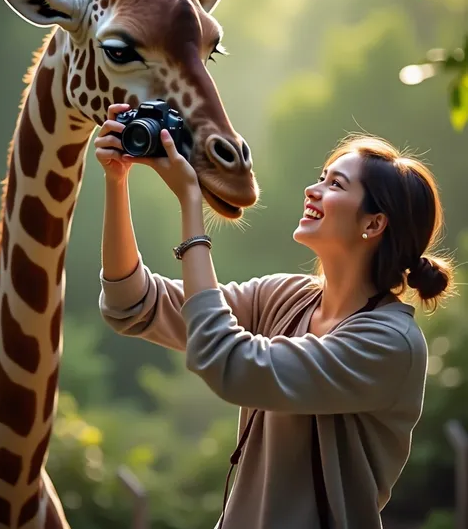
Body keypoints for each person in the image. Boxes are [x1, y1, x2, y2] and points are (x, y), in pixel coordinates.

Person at [95, 103, 453, 529]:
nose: (313, 189)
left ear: (374, 224)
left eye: (335, 184)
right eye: (321, 177)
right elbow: (134, 303)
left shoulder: (390, 343)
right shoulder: (284, 297)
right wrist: (117, 180)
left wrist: (191, 205)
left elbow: (230, 362)